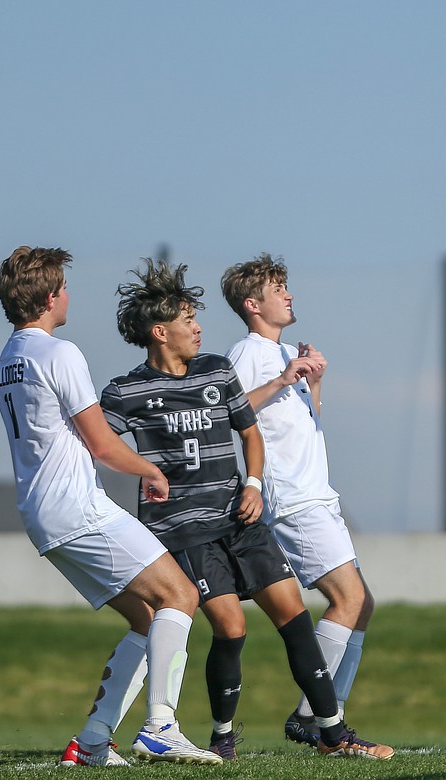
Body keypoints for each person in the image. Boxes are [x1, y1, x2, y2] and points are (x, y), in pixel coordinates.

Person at [99, 258, 394, 761]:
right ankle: (228, 732)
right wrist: (143, 474)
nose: (197, 326)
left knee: (305, 615)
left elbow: (253, 430)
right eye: (188, 319)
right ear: (159, 331)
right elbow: (95, 440)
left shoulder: (215, 367)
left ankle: (330, 729)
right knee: (235, 628)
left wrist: (254, 480)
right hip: (198, 526)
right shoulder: (137, 387)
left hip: (244, 513)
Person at [0, 246, 221, 767]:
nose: (68, 295)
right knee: (179, 595)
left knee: (147, 617)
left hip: (41, 514)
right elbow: (101, 443)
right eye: (64, 287)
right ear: (51, 297)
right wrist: (152, 470)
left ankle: (94, 740)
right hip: (75, 507)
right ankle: (161, 727)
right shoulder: (59, 352)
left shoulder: (9, 358)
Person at [221, 254, 383, 751]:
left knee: (363, 605)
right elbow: (232, 409)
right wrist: (286, 376)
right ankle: (314, 718)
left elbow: (304, 422)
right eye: (277, 288)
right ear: (253, 304)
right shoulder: (249, 351)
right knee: (348, 600)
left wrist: (312, 382)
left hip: (316, 494)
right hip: (292, 499)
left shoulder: (286, 351)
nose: (288, 295)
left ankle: (325, 716)